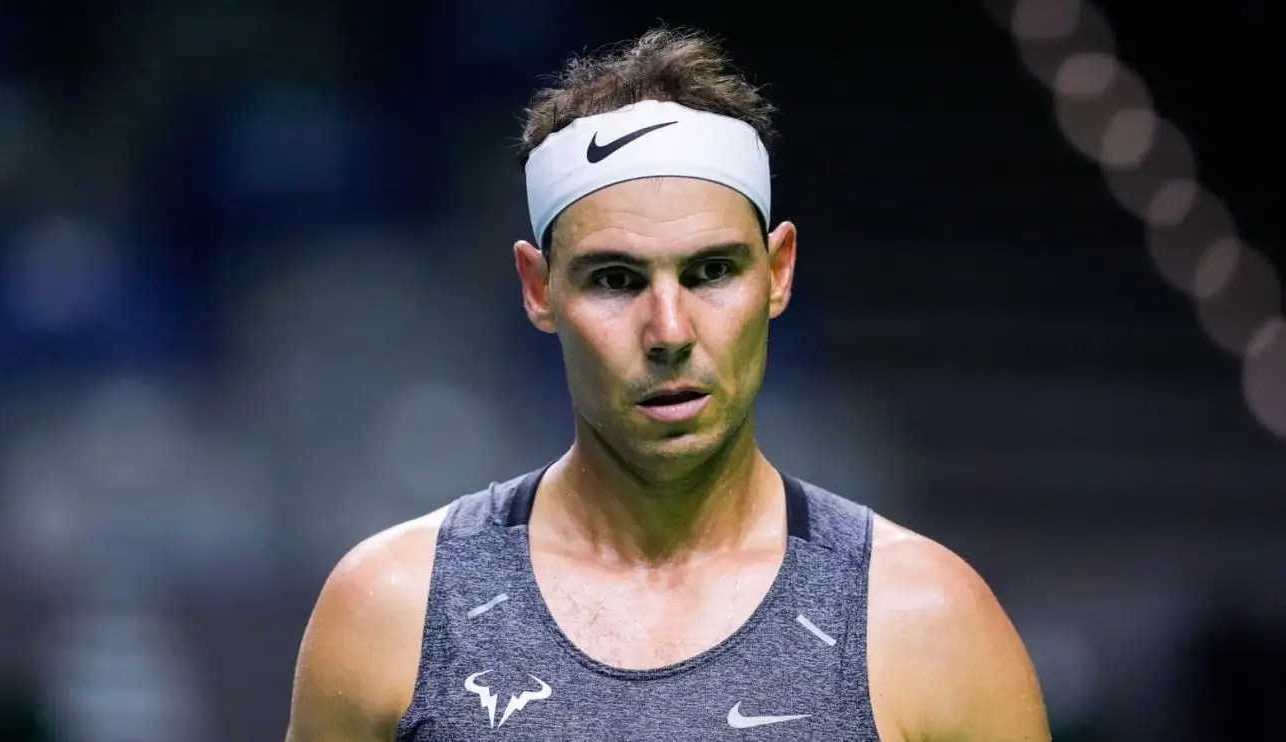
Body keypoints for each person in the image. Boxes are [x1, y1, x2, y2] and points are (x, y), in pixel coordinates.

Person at [286, 26, 1051, 742]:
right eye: (615, 280)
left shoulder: (928, 621)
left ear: (778, 272)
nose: (671, 331)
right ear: (538, 286)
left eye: (712, 271)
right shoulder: (393, 611)